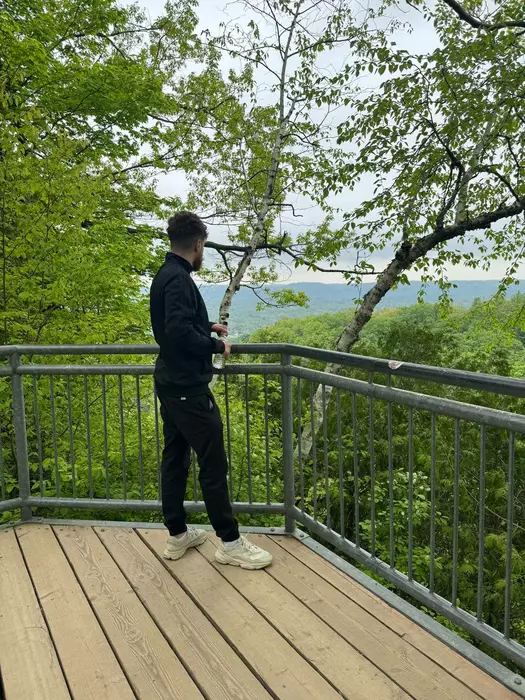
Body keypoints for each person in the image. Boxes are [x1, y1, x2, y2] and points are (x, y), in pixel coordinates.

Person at [150, 211, 272, 569]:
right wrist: (215, 345)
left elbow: (176, 323)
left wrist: (206, 325)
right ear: (199, 244)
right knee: (213, 463)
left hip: (170, 384)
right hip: (187, 389)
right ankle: (230, 542)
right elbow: (177, 332)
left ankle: (177, 534)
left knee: (175, 458)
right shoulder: (178, 279)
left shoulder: (166, 274)